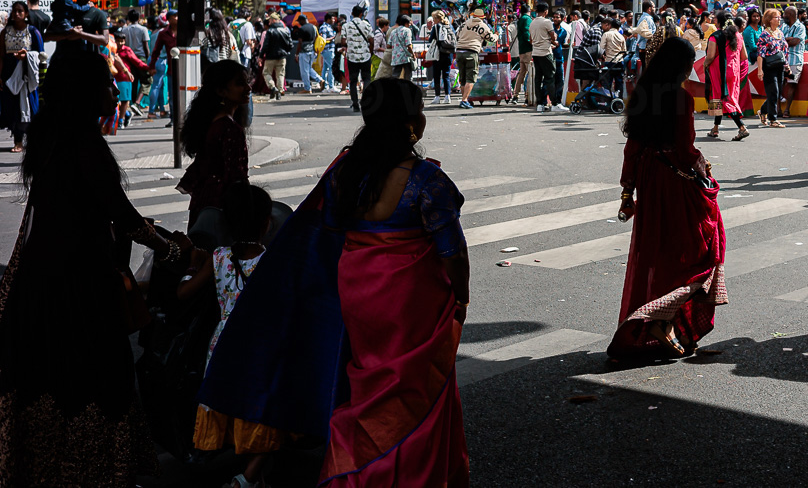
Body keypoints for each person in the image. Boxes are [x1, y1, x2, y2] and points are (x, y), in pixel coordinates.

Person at [197, 78, 471, 486]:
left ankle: (354, 467)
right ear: (412, 123)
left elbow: (321, 231)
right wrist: (461, 296)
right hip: (409, 300)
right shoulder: (426, 180)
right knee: (412, 388)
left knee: (367, 381)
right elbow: (452, 252)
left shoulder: (345, 171)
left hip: (357, 293)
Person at [0, 50, 191, 485]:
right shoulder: (83, 145)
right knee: (95, 381)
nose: (114, 91)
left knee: (51, 380)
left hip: (42, 283)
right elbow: (122, 215)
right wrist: (172, 251)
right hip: (79, 287)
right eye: (106, 84)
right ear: (85, 93)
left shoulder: (52, 138)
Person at [609, 37, 727, 359]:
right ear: (681, 66)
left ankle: (665, 321)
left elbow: (632, 148)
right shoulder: (681, 98)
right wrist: (703, 166)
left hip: (649, 180)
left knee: (658, 251)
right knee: (700, 250)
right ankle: (662, 318)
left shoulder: (643, 92)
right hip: (674, 180)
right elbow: (686, 150)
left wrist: (627, 191)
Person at [181, 183, 284, 488]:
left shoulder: (219, 258)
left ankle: (252, 477)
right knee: (269, 412)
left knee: (236, 410)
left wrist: (192, 266)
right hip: (261, 349)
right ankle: (246, 479)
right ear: (267, 223)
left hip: (223, 349)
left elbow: (183, 293)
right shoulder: (274, 262)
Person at [179, 60, 251, 228]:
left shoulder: (211, 121)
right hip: (223, 206)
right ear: (221, 91)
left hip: (205, 203)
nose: (248, 88)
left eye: (247, 82)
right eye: (240, 84)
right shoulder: (228, 128)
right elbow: (236, 175)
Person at [0, 0, 43, 151]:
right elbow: (1, 56)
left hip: (27, 74)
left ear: (26, 14)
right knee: (12, 108)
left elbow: (41, 54)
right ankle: (17, 140)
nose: (17, 14)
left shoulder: (32, 31)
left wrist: (27, 56)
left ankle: (33, 139)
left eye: (20, 11)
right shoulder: (5, 32)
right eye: (14, 11)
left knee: (29, 106)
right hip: (9, 74)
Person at [704, 11, 751, 141]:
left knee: (724, 99)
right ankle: (715, 128)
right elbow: (744, 56)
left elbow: (710, 56)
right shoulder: (738, 36)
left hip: (719, 72)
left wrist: (705, 64)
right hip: (734, 71)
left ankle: (742, 127)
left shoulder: (715, 36)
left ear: (719, 22)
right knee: (723, 98)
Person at [45, 0, 110, 56]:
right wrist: (67, 35)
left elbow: (104, 40)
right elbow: (46, 37)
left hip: (88, 59)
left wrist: (81, 34)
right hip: (63, 59)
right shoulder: (65, 9)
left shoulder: (98, 14)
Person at [454, 7, 498, 109]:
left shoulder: (465, 24)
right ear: (482, 17)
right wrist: (496, 36)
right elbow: (491, 38)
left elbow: (457, 35)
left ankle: (464, 99)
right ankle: (464, 100)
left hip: (459, 51)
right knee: (471, 78)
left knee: (463, 78)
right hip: (471, 52)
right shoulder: (482, 25)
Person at [528, 2, 567, 113]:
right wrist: (553, 39)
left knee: (538, 79)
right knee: (550, 78)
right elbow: (553, 37)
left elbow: (530, 40)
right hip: (546, 53)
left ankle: (540, 104)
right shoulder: (547, 22)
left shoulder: (532, 23)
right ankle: (554, 103)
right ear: (546, 11)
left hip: (535, 53)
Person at [755, 8, 788, 129]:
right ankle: (773, 119)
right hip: (769, 67)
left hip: (779, 66)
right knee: (773, 91)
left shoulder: (780, 33)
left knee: (777, 93)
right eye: (776, 17)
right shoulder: (764, 34)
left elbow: (784, 50)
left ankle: (763, 111)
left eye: (779, 17)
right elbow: (760, 53)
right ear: (769, 20)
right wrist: (760, 70)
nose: (779, 19)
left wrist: (786, 64)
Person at [339, 4, 374, 112]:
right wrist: (370, 52)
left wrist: (350, 44)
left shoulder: (346, 26)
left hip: (352, 57)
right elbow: (371, 41)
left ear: (352, 14)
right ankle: (365, 101)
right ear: (361, 14)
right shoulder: (366, 25)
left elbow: (343, 42)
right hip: (365, 56)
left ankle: (355, 104)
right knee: (366, 79)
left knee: (353, 81)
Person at [113, 29, 148, 129]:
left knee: (124, 100)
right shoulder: (111, 49)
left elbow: (136, 61)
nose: (120, 43)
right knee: (115, 101)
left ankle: (120, 121)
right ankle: (127, 114)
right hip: (113, 78)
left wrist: (147, 68)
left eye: (122, 41)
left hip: (125, 78)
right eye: (118, 41)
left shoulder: (127, 50)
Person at [148, 11, 178, 119]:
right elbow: (156, 51)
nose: (177, 18)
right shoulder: (163, 33)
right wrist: (152, 66)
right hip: (169, 68)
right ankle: (173, 118)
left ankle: (161, 110)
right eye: (174, 16)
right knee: (171, 94)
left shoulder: (186, 31)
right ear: (168, 19)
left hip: (185, 68)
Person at [779, 7, 806, 119]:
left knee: (791, 84)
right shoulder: (783, 26)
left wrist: (784, 40)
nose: (783, 16)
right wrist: (787, 39)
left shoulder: (800, 27)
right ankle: (778, 110)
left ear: (790, 15)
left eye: (785, 14)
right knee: (779, 84)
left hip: (795, 60)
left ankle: (787, 110)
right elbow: (778, 41)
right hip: (782, 60)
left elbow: (795, 42)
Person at [260, 12, 293, 100]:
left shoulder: (270, 31)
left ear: (274, 20)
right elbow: (290, 45)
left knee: (266, 73)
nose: (269, 22)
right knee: (280, 74)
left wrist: (261, 56)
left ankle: (273, 87)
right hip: (282, 56)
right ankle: (280, 90)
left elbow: (265, 45)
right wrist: (286, 52)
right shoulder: (285, 30)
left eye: (270, 20)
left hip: (270, 57)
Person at [427, 10, 455, 104]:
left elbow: (430, 40)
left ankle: (437, 96)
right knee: (446, 75)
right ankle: (447, 96)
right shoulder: (449, 26)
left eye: (434, 18)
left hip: (438, 53)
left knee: (437, 75)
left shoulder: (436, 27)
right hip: (448, 54)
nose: (433, 20)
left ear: (437, 18)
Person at [376, 14, 416, 81]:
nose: (410, 25)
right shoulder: (407, 30)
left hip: (396, 57)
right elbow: (409, 45)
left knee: (395, 76)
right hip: (406, 57)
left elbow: (388, 45)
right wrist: (413, 54)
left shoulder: (393, 31)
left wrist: (397, 46)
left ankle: (394, 87)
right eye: (409, 23)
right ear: (406, 23)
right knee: (407, 76)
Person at [292, 14, 322, 92]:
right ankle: (320, 80)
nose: (299, 23)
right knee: (308, 69)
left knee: (304, 71)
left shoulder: (302, 29)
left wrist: (296, 54)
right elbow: (316, 38)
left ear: (302, 20)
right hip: (312, 50)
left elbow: (300, 42)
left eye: (299, 21)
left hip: (304, 52)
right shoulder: (313, 27)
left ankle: (307, 88)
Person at [511, 5, 533, 105]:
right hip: (528, 49)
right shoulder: (527, 19)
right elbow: (526, 32)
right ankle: (527, 96)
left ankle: (515, 95)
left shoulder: (520, 19)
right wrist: (531, 42)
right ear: (529, 10)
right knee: (529, 73)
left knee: (522, 73)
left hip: (521, 49)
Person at [317, 12, 337, 92]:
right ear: (328, 19)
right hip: (328, 50)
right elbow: (323, 39)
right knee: (331, 68)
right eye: (332, 18)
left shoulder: (328, 27)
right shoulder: (324, 27)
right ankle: (331, 86)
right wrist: (333, 38)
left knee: (325, 69)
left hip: (328, 50)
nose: (334, 20)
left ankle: (325, 87)